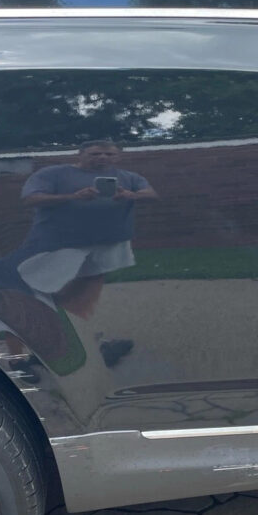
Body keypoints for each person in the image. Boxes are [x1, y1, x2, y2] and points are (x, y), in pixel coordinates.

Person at [15, 139, 158, 364]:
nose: (103, 158)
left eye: (109, 155)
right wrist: (72, 197)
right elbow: (31, 198)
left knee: (88, 292)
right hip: (61, 244)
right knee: (42, 291)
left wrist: (133, 196)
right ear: (80, 154)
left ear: (118, 157)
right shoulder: (55, 173)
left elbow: (150, 193)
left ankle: (96, 344)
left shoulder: (128, 177)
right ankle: (34, 351)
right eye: (96, 153)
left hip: (109, 243)